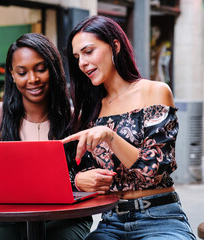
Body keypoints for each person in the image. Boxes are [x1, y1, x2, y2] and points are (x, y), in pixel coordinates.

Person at [62, 16, 196, 240]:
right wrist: (78, 181)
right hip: (110, 221)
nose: (82, 63)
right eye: (77, 57)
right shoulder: (89, 110)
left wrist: (110, 136)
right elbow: (69, 170)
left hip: (160, 218)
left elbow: (153, 170)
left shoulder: (154, 92)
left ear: (115, 46)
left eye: (88, 51)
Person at [0, 33, 92, 240]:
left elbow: (92, 178)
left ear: (52, 69)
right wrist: (50, 184)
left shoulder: (73, 118)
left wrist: (14, 183)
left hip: (66, 217)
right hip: (11, 218)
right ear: (12, 74)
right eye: (22, 72)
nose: (32, 79)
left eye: (40, 69)